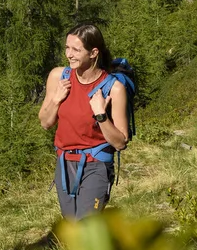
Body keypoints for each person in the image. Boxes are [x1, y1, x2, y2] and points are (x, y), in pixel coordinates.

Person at [39, 21, 130, 220]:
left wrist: (101, 115)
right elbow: (45, 123)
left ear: (93, 53)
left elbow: (121, 142)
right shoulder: (58, 77)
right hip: (64, 163)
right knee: (72, 228)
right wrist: (56, 99)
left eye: (76, 49)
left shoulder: (113, 88)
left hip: (96, 164)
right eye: (67, 48)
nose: (69, 54)